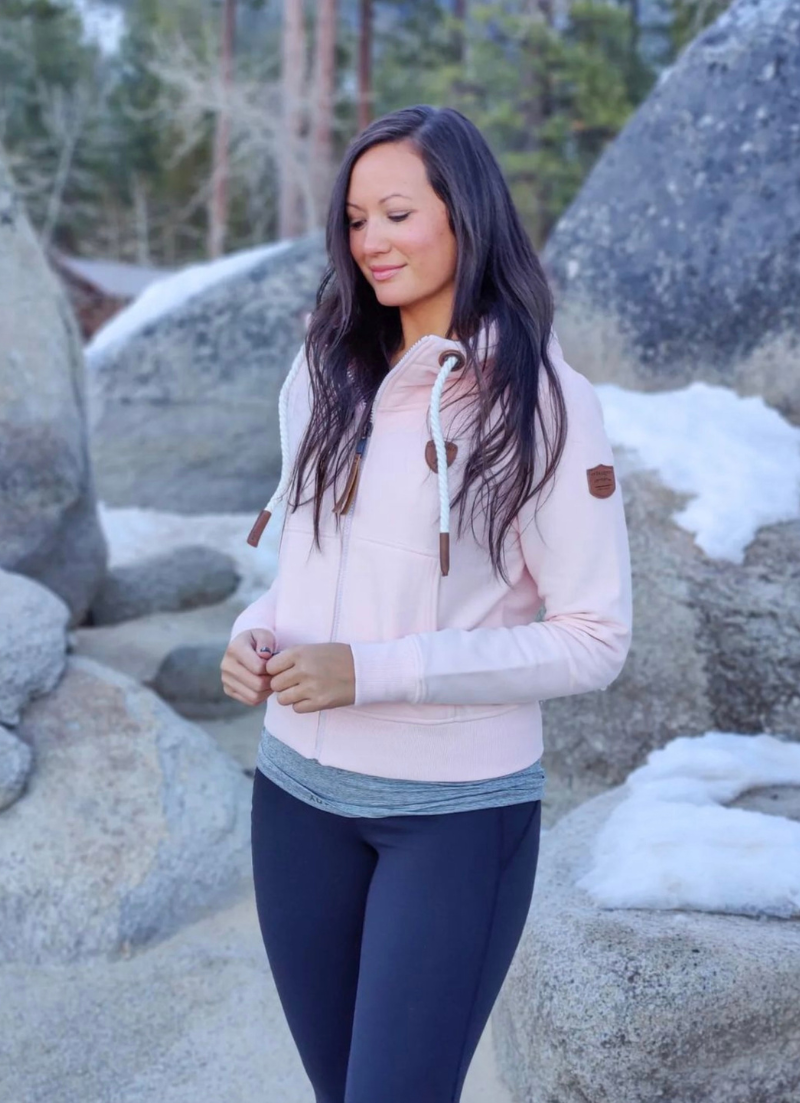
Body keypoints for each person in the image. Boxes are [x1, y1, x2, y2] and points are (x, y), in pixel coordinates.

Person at [220, 104, 632, 1103]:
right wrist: (254, 632)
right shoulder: (322, 371)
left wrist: (376, 671)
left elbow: (594, 638)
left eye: (397, 214)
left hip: (451, 819)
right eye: (355, 220)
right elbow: (313, 564)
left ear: (465, 215)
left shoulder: (542, 401)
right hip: (294, 802)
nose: (371, 241)